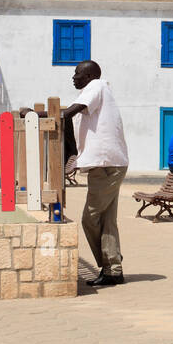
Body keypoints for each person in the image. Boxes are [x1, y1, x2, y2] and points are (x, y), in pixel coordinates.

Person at [61, 61, 128, 287]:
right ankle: (113, 270)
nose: (73, 77)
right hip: (108, 164)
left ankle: (110, 263)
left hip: (107, 165)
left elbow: (68, 113)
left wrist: (43, 115)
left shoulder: (96, 87)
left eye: (77, 73)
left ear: (89, 75)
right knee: (107, 220)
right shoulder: (97, 91)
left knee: (89, 218)